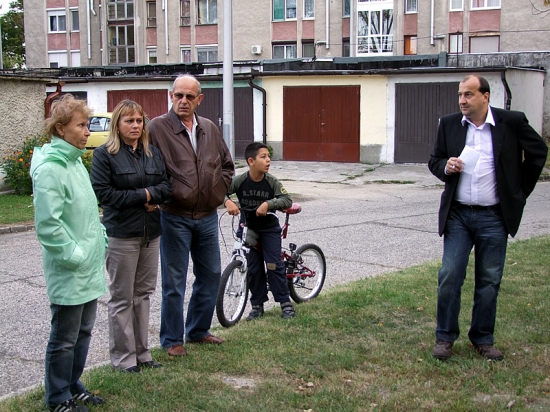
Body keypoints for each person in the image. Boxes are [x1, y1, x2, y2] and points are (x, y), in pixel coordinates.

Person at [428, 74, 548, 361]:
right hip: (458, 215)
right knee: (449, 275)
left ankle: (482, 338)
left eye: (468, 94)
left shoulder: (511, 122)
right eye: (460, 95)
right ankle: (445, 337)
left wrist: (518, 192)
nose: (462, 100)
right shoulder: (450, 124)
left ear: (485, 96)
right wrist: (446, 166)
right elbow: (434, 161)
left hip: (494, 216)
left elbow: (538, 152)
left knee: (489, 279)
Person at [30, 94, 108, 412]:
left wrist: (100, 238)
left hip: (88, 264)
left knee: (83, 332)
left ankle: (73, 384)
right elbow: (49, 226)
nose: (87, 131)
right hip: (71, 268)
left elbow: (86, 212)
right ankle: (58, 396)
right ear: (61, 129)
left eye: (87, 125)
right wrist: (75, 256)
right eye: (81, 125)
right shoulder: (51, 169)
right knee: (63, 338)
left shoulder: (74, 162)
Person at [148, 74, 234, 356]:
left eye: (189, 96)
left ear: (200, 99)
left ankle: (198, 330)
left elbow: (226, 165)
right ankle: (172, 339)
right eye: (178, 95)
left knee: (211, 275)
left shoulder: (209, 128)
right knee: (174, 281)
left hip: (207, 215)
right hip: (175, 215)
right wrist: (167, 193)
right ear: (171, 96)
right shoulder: (157, 128)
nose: (183, 101)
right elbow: (149, 168)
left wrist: (217, 191)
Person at [90, 100, 172, 373]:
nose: (135, 126)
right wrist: (145, 195)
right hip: (122, 234)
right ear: (117, 124)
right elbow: (105, 195)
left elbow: (167, 186)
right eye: (129, 121)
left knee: (143, 295)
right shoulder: (104, 155)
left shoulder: (152, 153)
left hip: (151, 232)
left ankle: (143, 354)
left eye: (139, 121)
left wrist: (152, 195)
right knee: (122, 297)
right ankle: (124, 359)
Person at [224, 142, 296, 320]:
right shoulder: (240, 181)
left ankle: (285, 303)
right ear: (251, 161)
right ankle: (257, 305)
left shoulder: (271, 181)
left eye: (268, 156)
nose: (268, 160)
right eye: (263, 157)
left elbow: (287, 199)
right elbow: (218, 191)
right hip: (248, 228)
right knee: (253, 269)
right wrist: (227, 201)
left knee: (273, 265)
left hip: (269, 229)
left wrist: (268, 204)